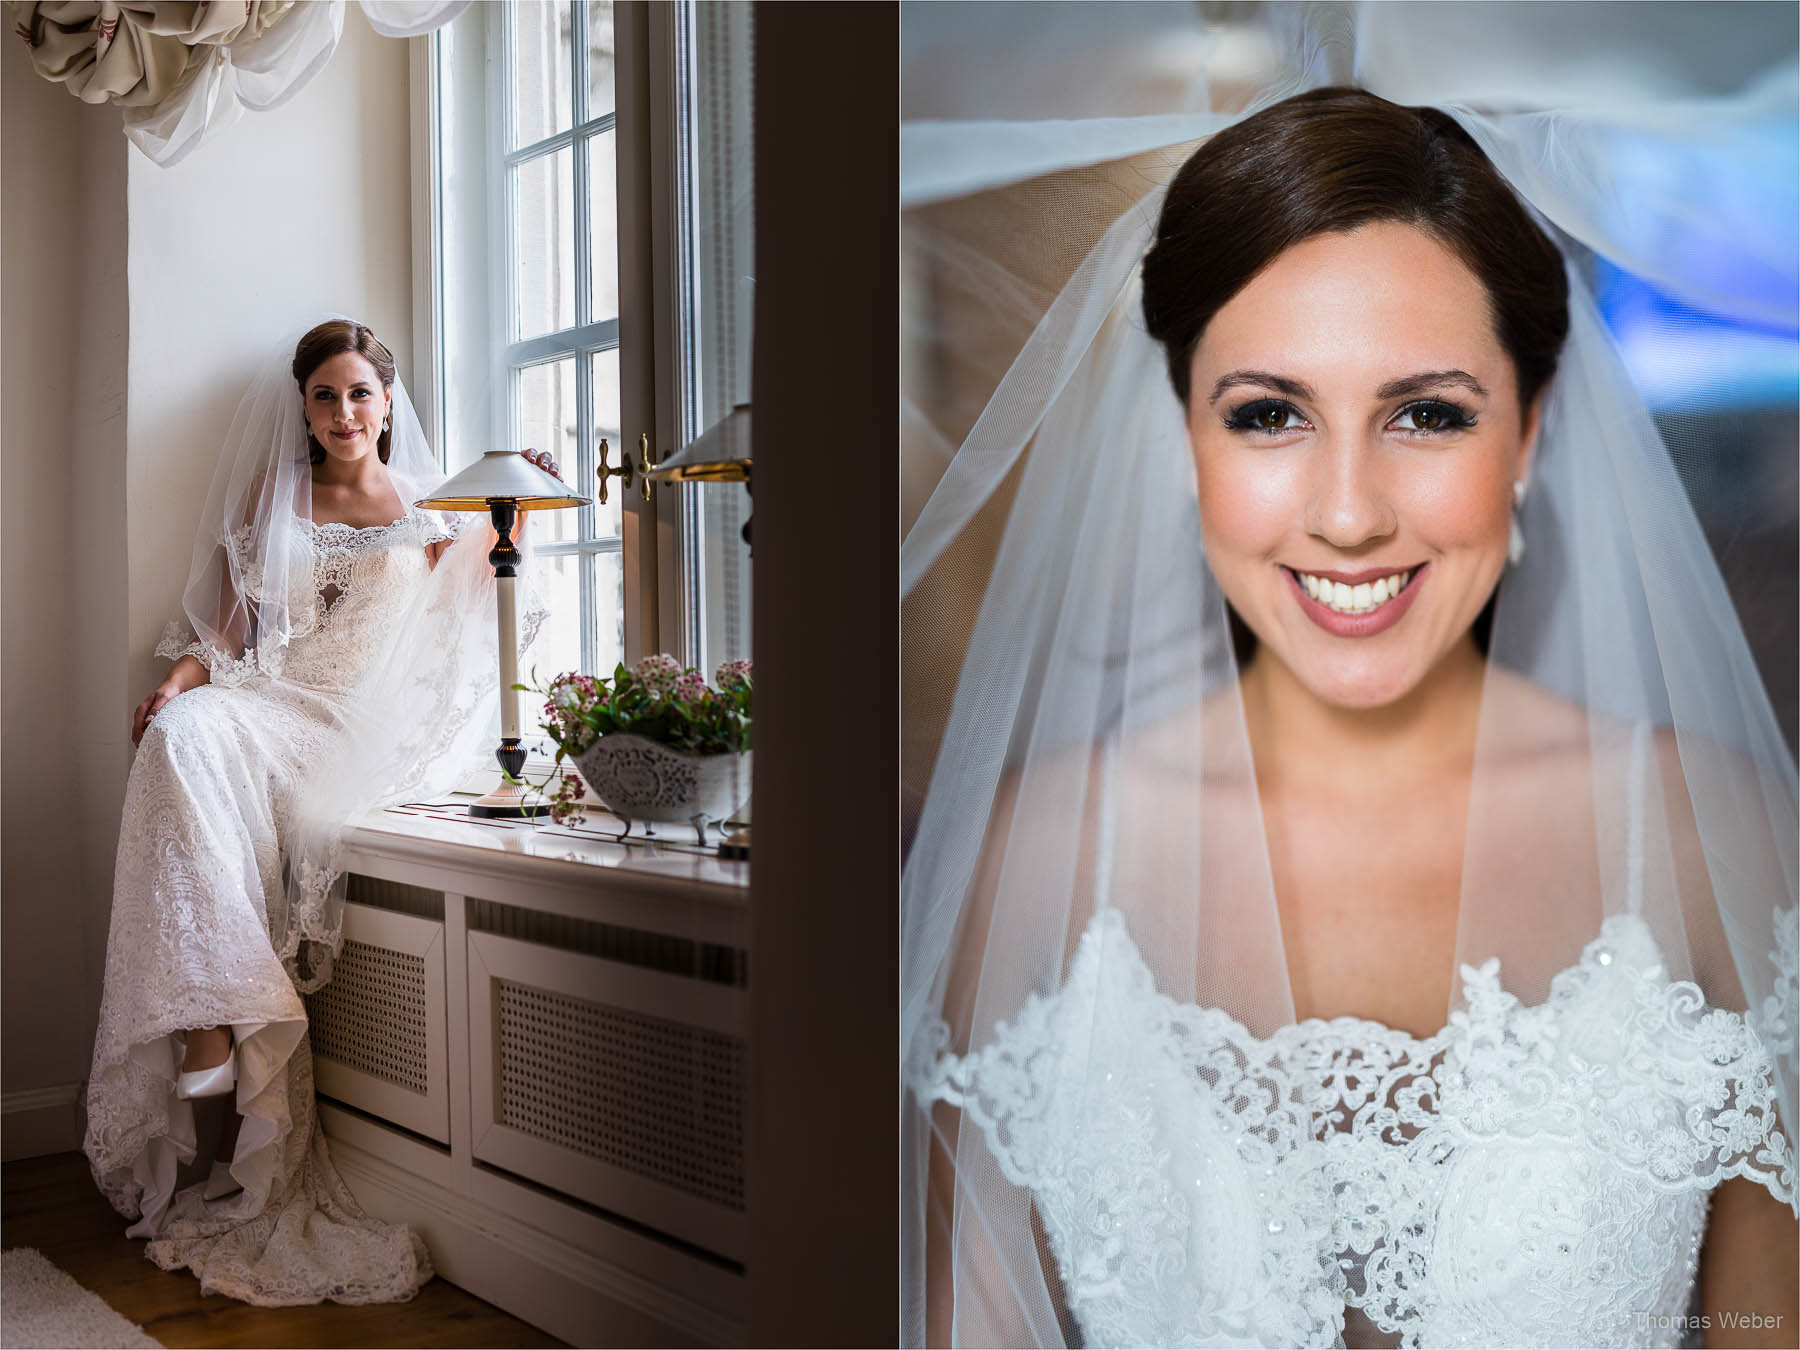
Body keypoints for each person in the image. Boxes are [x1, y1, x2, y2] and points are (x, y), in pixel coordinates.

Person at [902, 33, 1798, 1350]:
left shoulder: (1721, 834)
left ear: (1531, 435)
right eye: (1269, 413)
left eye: (1427, 413)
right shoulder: (1032, 858)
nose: (1347, 512)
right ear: (1187, 436)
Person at [84, 318, 559, 1304]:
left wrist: (518, 515)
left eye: (359, 394)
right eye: (325, 397)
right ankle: (213, 1014)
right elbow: (222, 628)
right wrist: (176, 684)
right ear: (303, 409)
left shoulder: (433, 506)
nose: (344, 413)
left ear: (390, 403)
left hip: (346, 731)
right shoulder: (278, 497)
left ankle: (220, 1017)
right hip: (262, 698)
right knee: (180, 736)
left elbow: (470, 613)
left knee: (199, 748)